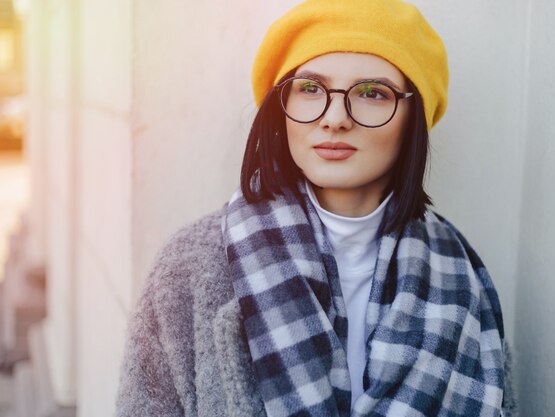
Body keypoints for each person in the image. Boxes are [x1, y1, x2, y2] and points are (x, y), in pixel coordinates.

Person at [115, 0, 516, 416]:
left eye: (372, 93)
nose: (336, 118)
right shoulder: (189, 269)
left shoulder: (461, 279)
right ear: (280, 108)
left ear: (413, 117)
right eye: (310, 88)